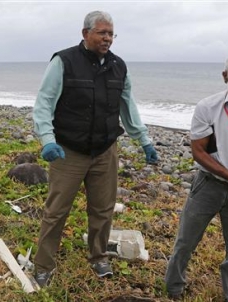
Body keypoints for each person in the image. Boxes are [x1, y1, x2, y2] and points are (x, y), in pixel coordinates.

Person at [33, 10, 158, 287]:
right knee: (56, 211)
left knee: (103, 209)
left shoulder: (118, 66)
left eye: (111, 33)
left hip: (105, 150)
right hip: (68, 151)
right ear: (85, 33)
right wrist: (47, 139)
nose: (107, 38)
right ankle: (43, 265)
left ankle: (99, 256)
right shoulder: (63, 61)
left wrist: (144, 140)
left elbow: (128, 106)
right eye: (102, 32)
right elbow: (44, 102)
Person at [165, 53, 228, 302]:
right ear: (225, 76)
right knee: (186, 241)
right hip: (208, 185)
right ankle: (174, 288)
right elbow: (198, 151)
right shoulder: (208, 107)